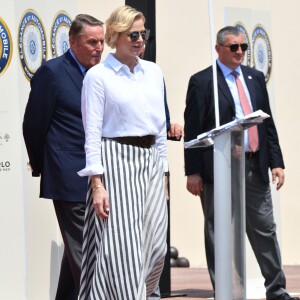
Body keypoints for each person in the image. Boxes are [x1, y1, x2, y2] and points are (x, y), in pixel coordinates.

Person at [184, 25, 299, 300]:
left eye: (243, 47)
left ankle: (276, 289)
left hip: (254, 167)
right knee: (218, 231)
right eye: (233, 47)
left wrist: (276, 162)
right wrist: (193, 171)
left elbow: (267, 123)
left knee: (265, 230)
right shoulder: (203, 81)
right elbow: (193, 129)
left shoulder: (255, 77)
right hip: (219, 170)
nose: (240, 52)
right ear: (218, 49)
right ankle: (223, 290)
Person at [77, 5, 168, 300]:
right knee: (123, 250)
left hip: (151, 161)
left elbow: (160, 125)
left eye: (144, 33)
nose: (141, 39)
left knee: (157, 248)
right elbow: (91, 133)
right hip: (115, 161)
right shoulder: (98, 76)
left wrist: (164, 171)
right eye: (134, 34)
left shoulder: (153, 72)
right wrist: (97, 183)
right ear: (116, 35)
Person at [22, 14, 104, 300]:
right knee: (88, 257)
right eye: (91, 41)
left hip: (99, 177)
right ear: (73, 41)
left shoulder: (99, 75)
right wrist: (43, 164)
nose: (99, 48)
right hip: (68, 176)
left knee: (78, 253)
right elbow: (33, 124)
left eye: (101, 42)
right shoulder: (52, 73)